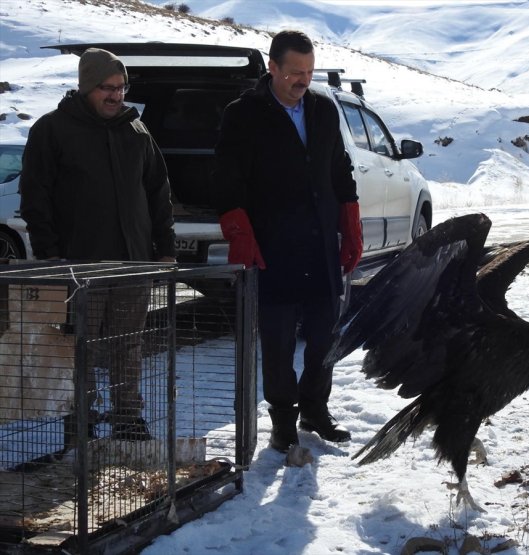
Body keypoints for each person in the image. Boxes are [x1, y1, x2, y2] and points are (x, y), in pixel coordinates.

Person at [213, 30, 363, 453]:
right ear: (273, 68)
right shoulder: (243, 114)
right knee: (278, 343)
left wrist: (350, 226)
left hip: (320, 245)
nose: (303, 80)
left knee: (323, 336)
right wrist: (239, 232)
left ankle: (316, 409)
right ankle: (283, 420)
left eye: (310, 72)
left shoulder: (322, 108)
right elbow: (226, 180)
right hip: (273, 247)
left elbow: (340, 169)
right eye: (296, 73)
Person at [19, 48, 176, 441]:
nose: (115, 96)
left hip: (133, 261)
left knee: (128, 343)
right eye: (107, 88)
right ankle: (80, 418)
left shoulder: (136, 130)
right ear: (86, 87)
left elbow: (158, 191)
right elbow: (34, 196)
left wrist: (165, 247)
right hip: (78, 262)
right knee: (81, 345)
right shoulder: (52, 129)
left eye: (121, 88)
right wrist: (50, 254)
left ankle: (127, 417)